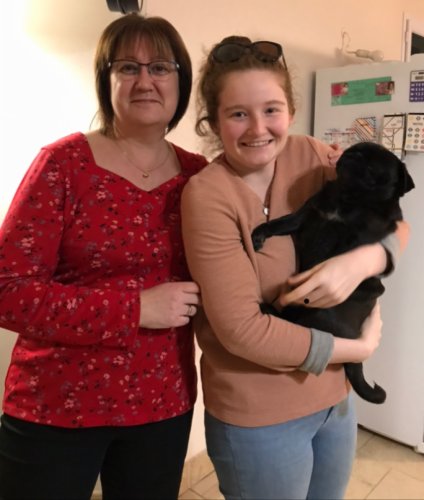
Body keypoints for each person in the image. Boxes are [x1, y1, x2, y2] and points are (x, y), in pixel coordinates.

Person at [181, 36, 410, 500]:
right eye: (238, 113)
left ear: (290, 110)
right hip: (259, 416)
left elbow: (395, 222)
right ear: (213, 121)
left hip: (334, 401)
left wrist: (365, 260)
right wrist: (357, 348)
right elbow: (243, 331)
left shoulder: (311, 155)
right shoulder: (207, 196)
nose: (258, 128)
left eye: (271, 109)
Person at [0, 14, 208, 500]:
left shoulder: (199, 177)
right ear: (105, 80)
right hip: (56, 405)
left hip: (163, 404)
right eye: (127, 67)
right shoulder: (63, 164)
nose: (145, 80)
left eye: (160, 67)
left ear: (180, 81)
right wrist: (135, 308)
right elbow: (8, 291)